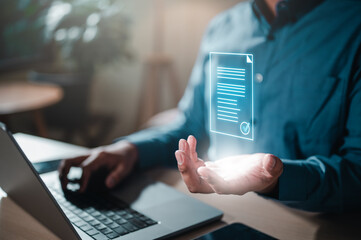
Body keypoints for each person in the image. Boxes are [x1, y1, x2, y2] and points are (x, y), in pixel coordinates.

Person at [59, 0, 361, 212]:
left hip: (307, 222)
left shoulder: (352, 28)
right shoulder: (222, 29)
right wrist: (130, 150)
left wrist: (276, 181)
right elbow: (191, 124)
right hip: (213, 210)